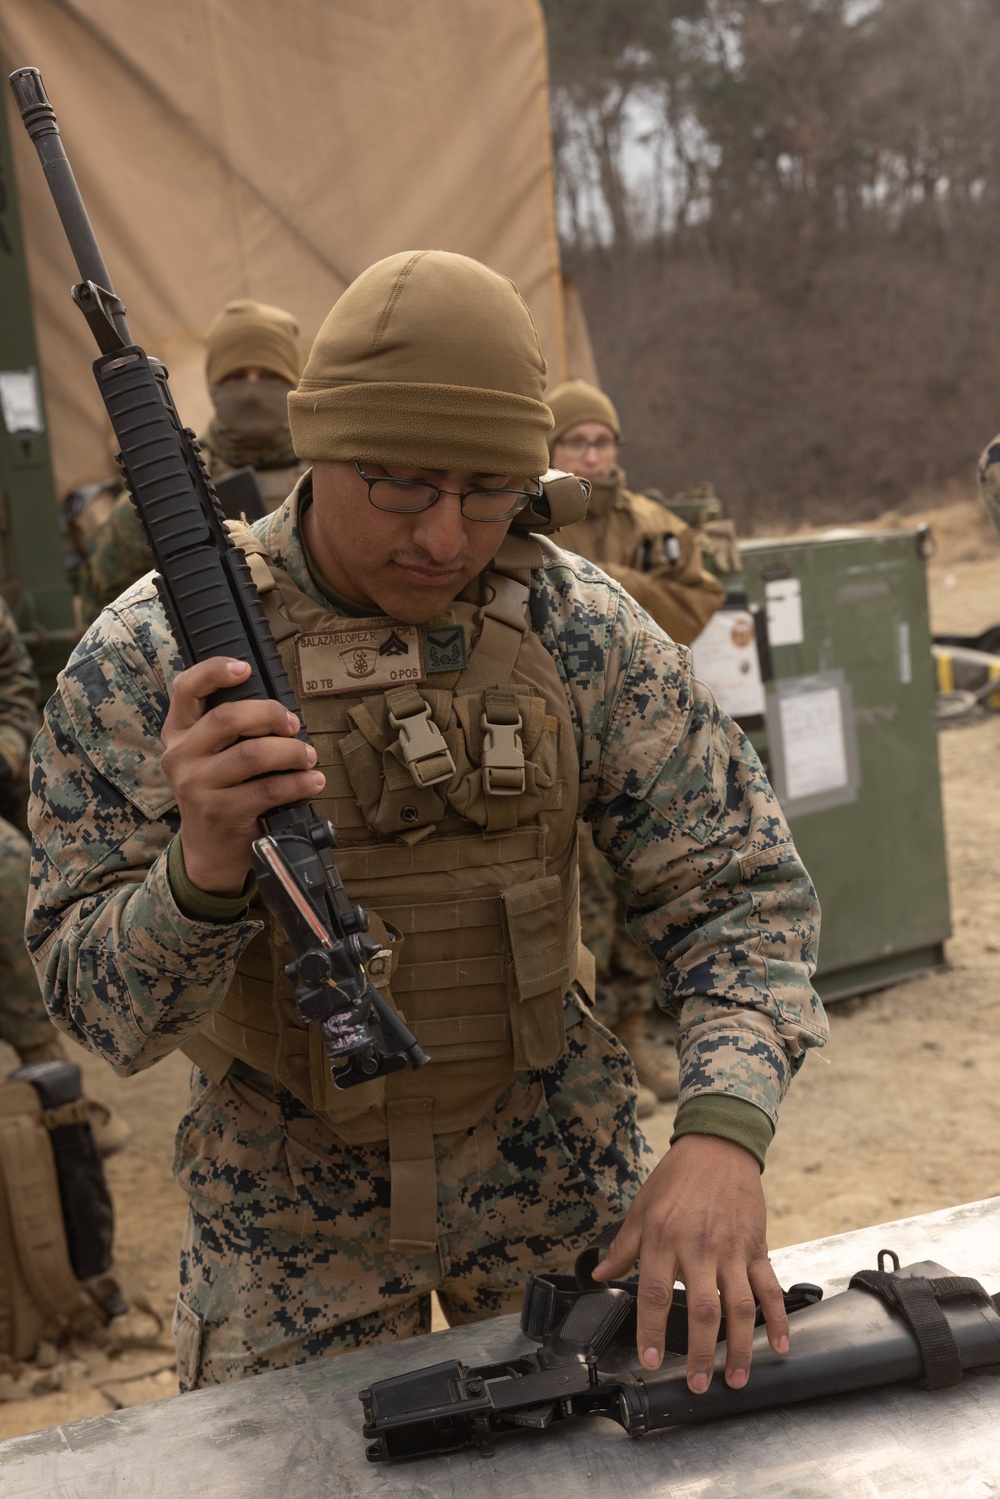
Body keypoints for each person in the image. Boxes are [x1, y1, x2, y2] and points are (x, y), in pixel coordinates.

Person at [27, 250, 827, 1399]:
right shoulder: (149, 659)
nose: (445, 537)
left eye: (487, 490)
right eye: (400, 484)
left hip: (558, 1187)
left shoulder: (573, 623)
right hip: (285, 1223)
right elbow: (98, 1010)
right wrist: (199, 874)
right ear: (316, 444)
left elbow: (742, 887)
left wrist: (720, 1127)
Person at [547, 379, 727, 1112]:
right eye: (576, 440)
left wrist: (613, 586)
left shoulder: (650, 522)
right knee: (571, 897)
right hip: (552, 731)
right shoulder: (528, 512)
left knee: (634, 890)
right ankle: (579, 1049)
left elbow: (698, 599)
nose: (591, 453)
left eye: (602, 440)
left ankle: (634, 1032)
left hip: (637, 730)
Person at [74, 298, 309, 623]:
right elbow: (106, 609)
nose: (251, 389)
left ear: (293, 381)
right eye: (236, 376)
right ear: (213, 386)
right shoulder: (170, 483)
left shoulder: (328, 475)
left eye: (269, 375)